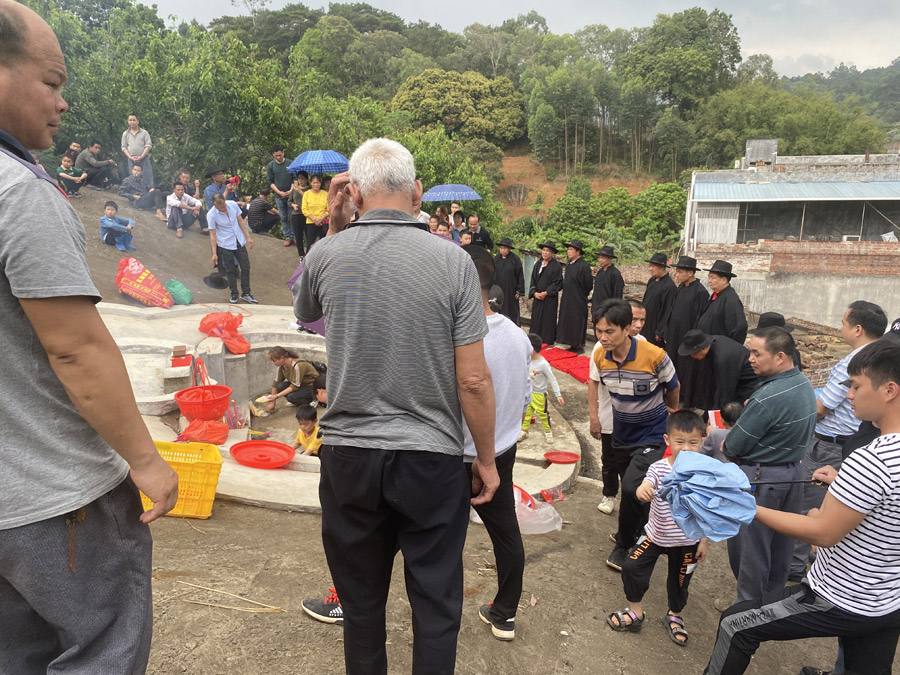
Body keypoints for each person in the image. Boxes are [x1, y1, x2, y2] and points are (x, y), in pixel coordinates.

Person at [0, 4, 178, 672]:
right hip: (58, 493)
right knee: (100, 650)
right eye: (52, 82)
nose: (63, 103)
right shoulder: (19, 192)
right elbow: (75, 347)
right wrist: (146, 459)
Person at [292, 138, 499, 675]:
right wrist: (486, 459)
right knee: (436, 607)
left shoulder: (327, 254)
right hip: (430, 459)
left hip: (350, 458)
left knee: (361, 608)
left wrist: (334, 227)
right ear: (418, 193)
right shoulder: (454, 262)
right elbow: (473, 379)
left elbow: (306, 309)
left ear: (355, 195)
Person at [704, 339, 900, 675]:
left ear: (889, 390)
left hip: (842, 597)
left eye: (856, 386)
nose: (849, 396)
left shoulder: (872, 460)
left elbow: (822, 533)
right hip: (888, 600)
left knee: (735, 623)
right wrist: (842, 484)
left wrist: (748, 508)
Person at [461, 245, 531, 641]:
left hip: (460, 457)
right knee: (506, 534)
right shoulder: (517, 336)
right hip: (501, 451)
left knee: (438, 538)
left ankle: (438, 616)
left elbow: (471, 387)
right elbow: (523, 396)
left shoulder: (456, 337)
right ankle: (504, 614)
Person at [790, 300, 886, 582]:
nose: (840, 328)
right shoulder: (881, 357)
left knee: (807, 504)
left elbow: (821, 408)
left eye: (843, 323)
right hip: (851, 441)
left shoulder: (853, 362)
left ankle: (795, 566)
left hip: (830, 444)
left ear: (857, 329)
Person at [721, 326, 816, 604]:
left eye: (756, 353)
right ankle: (771, 605)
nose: (750, 359)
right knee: (780, 548)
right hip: (792, 473)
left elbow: (732, 446)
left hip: (762, 478)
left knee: (751, 550)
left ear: (780, 356)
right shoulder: (802, 382)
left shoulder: (768, 397)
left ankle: (746, 611)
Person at [588, 299, 680, 572]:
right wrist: (595, 416)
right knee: (634, 488)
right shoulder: (600, 356)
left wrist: (670, 411)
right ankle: (642, 530)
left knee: (630, 487)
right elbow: (597, 385)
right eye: (598, 331)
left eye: (609, 331)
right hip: (621, 434)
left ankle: (624, 545)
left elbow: (673, 386)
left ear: (627, 329)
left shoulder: (655, 356)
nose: (603, 337)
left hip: (651, 434)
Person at [607, 410, 709, 646]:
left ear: (702, 441)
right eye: (679, 442)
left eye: (693, 442)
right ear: (667, 440)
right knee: (631, 567)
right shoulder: (658, 468)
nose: (686, 448)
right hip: (654, 536)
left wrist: (704, 541)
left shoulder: (705, 474)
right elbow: (646, 483)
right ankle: (635, 612)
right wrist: (642, 489)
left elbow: (706, 511)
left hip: (687, 542)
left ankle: (674, 614)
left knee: (680, 582)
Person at [678, 329, 759, 411]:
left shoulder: (723, 359)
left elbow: (725, 390)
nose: (692, 356)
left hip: (749, 383)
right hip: (734, 377)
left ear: (702, 348)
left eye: (693, 353)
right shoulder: (713, 344)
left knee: (730, 407)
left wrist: (717, 412)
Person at [662, 256, 709, 396]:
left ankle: (683, 395)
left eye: (680, 272)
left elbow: (699, 319)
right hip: (674, 334)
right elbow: (672, 311)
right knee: (671, 362)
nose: (676, 274)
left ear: (690, 273)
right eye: (676, 271)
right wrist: (667, 332)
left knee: (685, 366)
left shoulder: (700, 292)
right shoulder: (681, 287)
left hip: (686, 336)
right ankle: (671, 390)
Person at [207, 192, 257, 304]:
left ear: (225, 201)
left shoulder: (232, 204)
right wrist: (214, 253)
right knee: (230, 270)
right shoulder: (211, 214)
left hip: (238, 240)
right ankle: (234, 294)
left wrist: (248, 238)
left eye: (223, 206)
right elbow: (213, 234)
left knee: (245, 266)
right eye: (219, 208)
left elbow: (240, 221)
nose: (223, 209)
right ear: (214, 205)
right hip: (225, 244)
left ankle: (246, 293)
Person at [518, 333, 564, 444]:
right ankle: (524, 431)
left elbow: (552, 379)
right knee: (526, 413)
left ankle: (548, 432)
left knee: (543, 415)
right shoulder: (526, 360)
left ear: (532, 349)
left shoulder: (543, 364)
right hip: (528, 392)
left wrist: (558, 394)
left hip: (539, 395)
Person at [556, 239, 594, 355]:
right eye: (568, 249)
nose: (569, 251)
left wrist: (580, 294)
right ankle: (570, 342)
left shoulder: (584, 266)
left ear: (578, 252)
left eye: (571, 249)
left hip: (578, 299)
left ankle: (578, 345)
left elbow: (588, 284)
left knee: (577, 321)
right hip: (568, 298)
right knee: (568, 320)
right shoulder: (569, 264)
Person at [697, 260, 748, 344]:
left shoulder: (731, 299)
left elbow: (738, 329)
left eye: (713, 278)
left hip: (719, 346)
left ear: (724, 280)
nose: (709, 280)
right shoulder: (717, 295)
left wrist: (728, 348)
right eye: (709, 277)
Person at [528, 241, 563, 346]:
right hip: (537, 297)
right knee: (536, 318)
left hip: (549, 298)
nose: (545, 252)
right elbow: (533, 280)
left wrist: (546, 292)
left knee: (548, 319)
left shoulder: (556, 266)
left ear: (552, 253)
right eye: (543, 250)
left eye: (548, 251)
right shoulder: (538, 264)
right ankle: (534, 338)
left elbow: (558, 282)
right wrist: (534, 293)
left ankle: (547, 340)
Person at [266, 346, 320, 410]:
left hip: (313, 386)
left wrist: (276, 396)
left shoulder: (298, 365)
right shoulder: (281, 367)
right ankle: (297, 400)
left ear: (282, 358)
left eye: (274, 361)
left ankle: (314, 399)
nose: (274, 363)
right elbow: (275, 383)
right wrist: (272, 404)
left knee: (291, 397)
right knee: (280, 386)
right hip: (301, 384)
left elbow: (295, 386)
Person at [641, 252, 676, 347]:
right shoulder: (652, 280)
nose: (650, 269)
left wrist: (660, 331)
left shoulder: (669, 286)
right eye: (650, 266)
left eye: (653, 266)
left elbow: (667, 310)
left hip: (655, 325)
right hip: (646, 322)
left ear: (661, 267)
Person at [267, 144, 294, 246]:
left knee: (292, 216)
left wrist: (291, 191)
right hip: (279, 196)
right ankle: (287, 236)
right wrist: (279, 192)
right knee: (283, 217)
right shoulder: (271, 166)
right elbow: (270, 182)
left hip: (291, 196)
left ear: (283, 153)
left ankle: (294, 236)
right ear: (273, 155)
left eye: (280, 155)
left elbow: (295, 179)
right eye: (276, 156)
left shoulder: (290, 163)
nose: (278, 157)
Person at [493, 237, 524, 325]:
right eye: (501, 248)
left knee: (511, 310)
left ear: (509, 249)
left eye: (505, 248)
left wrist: (519, 290)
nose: (503, 250)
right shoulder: (496, 259)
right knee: (498, 308)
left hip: (511, 290)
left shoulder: (515, 259)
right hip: (499, 290)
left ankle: (512, 327)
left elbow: (520, 275)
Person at [591, 244, 624, 320]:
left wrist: (614, 311)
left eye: (603, 258)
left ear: (610, 258)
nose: (600, 260)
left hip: (608, 310)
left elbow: (617, 294)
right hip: (597, 308)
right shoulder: (600, 272)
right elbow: (596, 291)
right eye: (599, 257)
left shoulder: (615, 274)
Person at [120, 113, 154, 186]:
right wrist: (130, 157)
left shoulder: (144, 133)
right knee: (133, 178)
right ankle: (135, 191)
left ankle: (149, 191)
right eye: (130, 120)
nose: (132, 122)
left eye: (134, 120)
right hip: (131, 159)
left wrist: (142, 156)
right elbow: (124, 147)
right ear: (127, 121)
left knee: (147, 177)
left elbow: (148, 145)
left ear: (138, 121)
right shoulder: (125, 134)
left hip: (144, 158)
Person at [301, 174, 328, 252]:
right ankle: (307, 259)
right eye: (314, 183)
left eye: (318, 183)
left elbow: (329, 208)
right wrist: (314, 220)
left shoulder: (325, 194)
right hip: (311, 222)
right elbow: (304, 209)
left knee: (324, 244)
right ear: (311, 183)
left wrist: (321, 219)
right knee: (310, 244)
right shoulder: (306, 194)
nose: (316, 184)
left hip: (323, 222)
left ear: (320, 183)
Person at [289, 171, 309, 256]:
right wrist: (293, 205)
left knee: (309, 236)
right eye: (299, 178)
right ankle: (301, 255)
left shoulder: (310, 189)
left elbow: (310, 199)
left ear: (306, 179)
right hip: (296, 214)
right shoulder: (294, 190)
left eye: (302, 178)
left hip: (308, 215)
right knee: (298, 236)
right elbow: (289, 201)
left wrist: (300, 191)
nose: (300, 180)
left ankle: (309, 254)